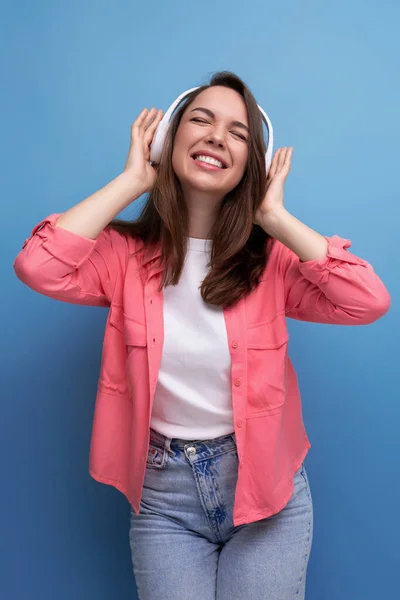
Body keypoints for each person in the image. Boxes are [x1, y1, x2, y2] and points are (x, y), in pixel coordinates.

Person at [13, 71, 390, 599]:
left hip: (267, 493)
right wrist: (131, 182)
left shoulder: (272, 263)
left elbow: (367, 300)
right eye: (201, 120)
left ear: (249, 164)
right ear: (168, 140)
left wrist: (275, 218)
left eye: (238, 133)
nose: (217, 136)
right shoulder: (122, 257)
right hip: (164, 498)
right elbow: (38, 266)